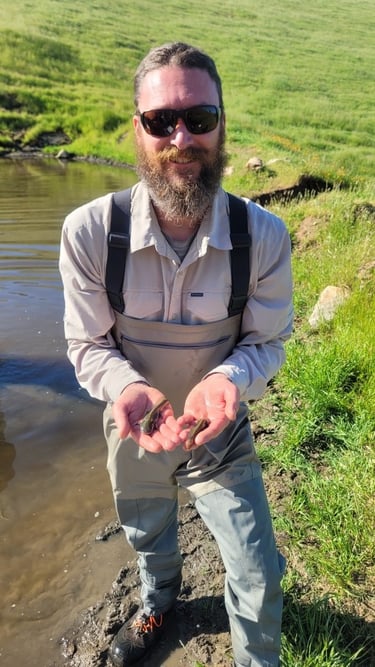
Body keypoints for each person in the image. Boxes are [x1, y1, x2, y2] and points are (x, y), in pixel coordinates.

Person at [59, 41, 293, 667]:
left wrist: (229, 379)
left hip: (222, 424)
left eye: (200, 118)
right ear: (137, 129)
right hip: (133, 420)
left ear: (222, 125)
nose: (181, 137)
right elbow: (87, 344)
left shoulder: (264, 236)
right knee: (146, 530)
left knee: (259, 569)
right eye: (161, 121)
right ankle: (159, 598)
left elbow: (267, 341)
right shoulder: (87, 233)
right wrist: (126, 389)